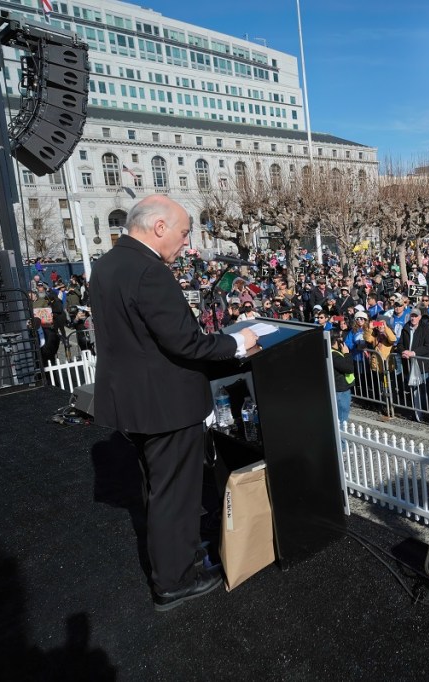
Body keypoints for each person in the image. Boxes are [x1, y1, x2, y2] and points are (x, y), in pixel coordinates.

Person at [90, 195, 258, 611]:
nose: (187, 242)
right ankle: (175, 579)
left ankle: (176, 555)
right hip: (165, 403)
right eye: (184, 233)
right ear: (159, 227)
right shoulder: (149, 271)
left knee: (157, 487)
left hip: (133, 400)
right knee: (175, 493)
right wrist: (238, 341)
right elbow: (184, 341)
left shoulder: (108, 264)